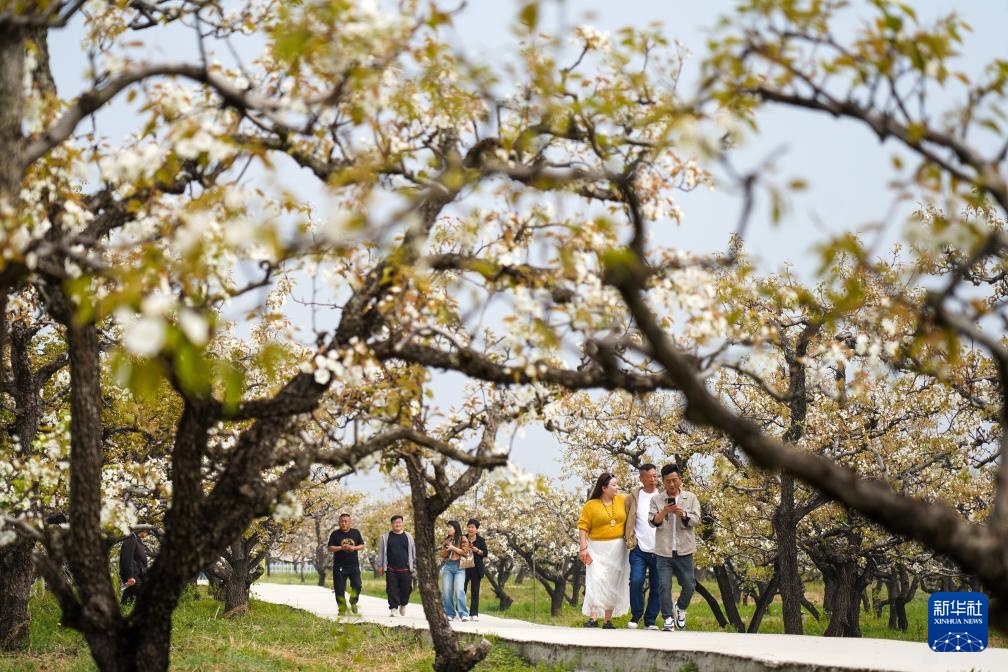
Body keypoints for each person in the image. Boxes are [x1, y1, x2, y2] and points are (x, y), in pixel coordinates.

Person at [649, 463, 702, 632]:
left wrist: (683, 514)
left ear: (680, 479)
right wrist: (664, 511)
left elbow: (696, 520)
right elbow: (653, 522)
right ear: (663, 482)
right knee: (664, 585)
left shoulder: (691, 498)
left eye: (674, 480)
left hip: (684, 550)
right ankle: (667, 619)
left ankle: (680, 607)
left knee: (689, 585)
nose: (671, 484)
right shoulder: (656, 499)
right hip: (663, 550)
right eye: (667, 481)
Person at [577, 472, 630, 629]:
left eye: (616, 484)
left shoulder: (623, 500)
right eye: (613, 485)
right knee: (596, 580)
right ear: (604, 488)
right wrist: (583, 548)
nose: (617, 487)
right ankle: (593, 618)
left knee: (613, 581)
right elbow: (583, 527)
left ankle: (608, 620)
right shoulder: (591, 505)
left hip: (618, 548)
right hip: (596, 547)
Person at [625, 463, 662, 630]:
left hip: (660, 549)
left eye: (655, 476)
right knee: (636, 581)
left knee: (658, 586)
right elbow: (626, 518)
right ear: (641, 479)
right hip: (639, 548)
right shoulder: (633, 497)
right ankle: (636, 615)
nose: (654, 479)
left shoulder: (663, 496)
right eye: (650, 477)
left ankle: (650, 620)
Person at [376, 515, 417, 617]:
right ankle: (393, 608)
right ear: (392, 524)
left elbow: (413, 552)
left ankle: (403, 604)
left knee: (407, 589)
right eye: (395, 522)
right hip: (391, 568)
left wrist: (415, 564)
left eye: (399, 522)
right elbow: (381, 552)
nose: (397, 524)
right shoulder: (385, 537)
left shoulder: (408, 536)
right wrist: (380, 565)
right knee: (391, 589)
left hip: (406, 568)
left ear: (402, 524)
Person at [327, 513, 364, 616]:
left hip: (354, 566)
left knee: (357, 585)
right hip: (339, 566)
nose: (343, 523)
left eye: (345, 521)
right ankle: (342, 609)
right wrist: (340, 548)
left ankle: (353, 602)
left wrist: (354, 548)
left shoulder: (355, 533)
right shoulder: (335, 534)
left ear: (350, 522)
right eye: (341, 521)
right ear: (339, 522)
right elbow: (330, 548)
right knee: (339, 589)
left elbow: (362, 546)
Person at [439, 520, 471, 622]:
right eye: (448, 527)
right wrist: (445, 549)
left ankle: (464, 613)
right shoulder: (446, 540)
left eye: (450, 527)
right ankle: (450, 613)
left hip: (459, 567)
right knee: (446, 591)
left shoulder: (463, 538)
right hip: (448, 566)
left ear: (455, 529)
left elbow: (465, 552)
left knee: (459, 590)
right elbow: (442, 555)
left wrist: (453, 548)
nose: (448, 529)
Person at [463, 518, 488, 622]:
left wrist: (477, 550)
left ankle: (474, 614)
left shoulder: (481, 540)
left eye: (473, 527)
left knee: (475, 591)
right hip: (463, 567)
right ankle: (461, 612)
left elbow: (485, 553)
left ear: (477, 529)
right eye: (469, 527)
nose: (470, 529)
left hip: (476, 568)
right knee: (461, 590)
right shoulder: (462, 538)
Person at [119, 529, 150, 606]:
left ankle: (123, 612)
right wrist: (130, 576)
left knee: (129, 596)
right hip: (132, 575)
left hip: (138, 574)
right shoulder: (131, 538)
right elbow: (126, 558)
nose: (148, 534)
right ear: (142, 530)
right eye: (147, 531)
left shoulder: (138, 541)